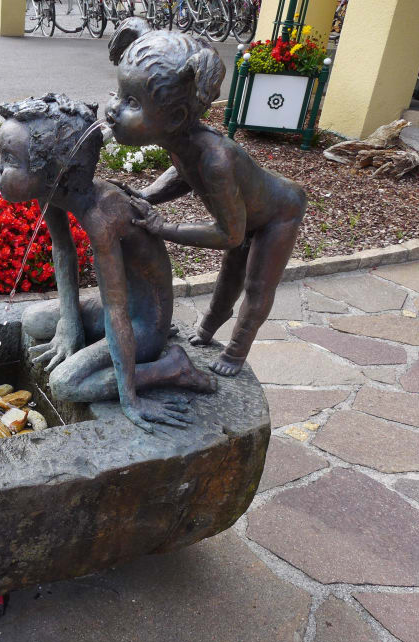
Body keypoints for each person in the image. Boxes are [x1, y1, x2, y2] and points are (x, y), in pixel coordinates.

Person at [0, 92, 216, 432]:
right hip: (123, 305)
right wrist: (69, 322)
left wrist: (130, 398)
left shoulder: (104, 215)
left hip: (144, 320)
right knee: (34, 320)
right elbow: (63, 249)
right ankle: (110, 346)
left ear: (55, 169)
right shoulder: (53, 188)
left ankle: (171, 368)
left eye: (9, 159)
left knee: (66, 384)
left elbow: (116, 311)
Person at [105, 23, 307, 377]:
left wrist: (164, 227)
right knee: (229, 277)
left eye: (131, 103)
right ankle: (207, 330)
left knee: (255, 288)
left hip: (279, 214)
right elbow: (184, 173)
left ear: (177, 117)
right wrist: (145, 194)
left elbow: (230, 234)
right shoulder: (180, 140)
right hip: (246, 213)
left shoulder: (217, 161)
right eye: (119, 94)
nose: (113, 110)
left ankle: (235, 353)